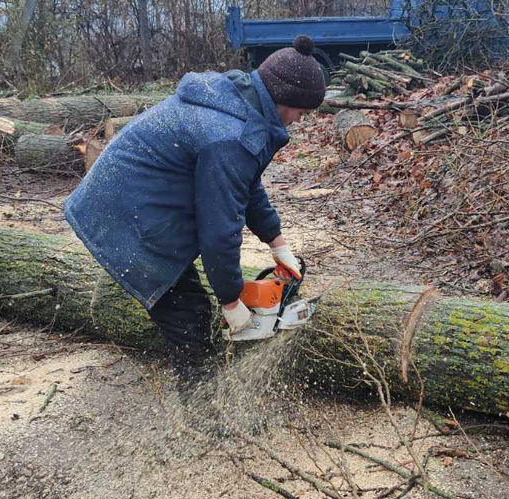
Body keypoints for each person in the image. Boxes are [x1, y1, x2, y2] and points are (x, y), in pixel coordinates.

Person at [63, 35, 327, 395]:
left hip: (134, 196)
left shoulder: (238, 101)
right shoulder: (230, 137)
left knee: (192, 303)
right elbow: (220, 229)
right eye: (301, 113)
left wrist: (277, 242)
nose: (298, 121)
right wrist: (231, 300)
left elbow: (244, 185)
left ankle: (206, 394)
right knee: (191, 320)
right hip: (123, 212)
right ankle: (202, 417)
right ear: (286, 100)